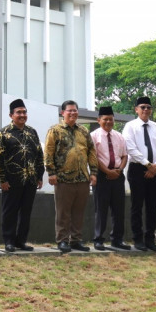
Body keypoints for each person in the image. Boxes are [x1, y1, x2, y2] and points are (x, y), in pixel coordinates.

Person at [44, 100, 97, 253]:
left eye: (75, 110)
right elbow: (48, 152)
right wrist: (51, 172)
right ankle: (62, 240)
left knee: (79, 212)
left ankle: (76, 240)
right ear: (63, 113)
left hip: (82, 178)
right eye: (70, 111)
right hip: (63, 178)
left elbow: (91, 151)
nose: (73, 113)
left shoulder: (83, 131)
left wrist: (93, 172)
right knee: (63, 212)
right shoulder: (55, 130)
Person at [0, 99, 44, 252]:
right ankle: (9, 241)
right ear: (11, 115)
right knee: (10, 212)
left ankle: (21, 241)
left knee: (26, 212)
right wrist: (2, 179)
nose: (22, 115)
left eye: (24, 112)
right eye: (18, 112)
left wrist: (39, 176)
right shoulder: (4, 133)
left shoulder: (32, 132)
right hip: (11, 180)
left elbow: (39, 155)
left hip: (30, 180)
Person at [122, 96, 156, 252]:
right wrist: (147, 164)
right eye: (143, 107)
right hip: (137, 169)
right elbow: (131, 148)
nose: (146, 110)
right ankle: (138, 239)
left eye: (148, 107)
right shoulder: (130, 126)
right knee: (137, 205)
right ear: (136, 109)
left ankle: (150, 240)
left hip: (155, 170)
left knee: (153, 206)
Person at [89, 106, 129, 251]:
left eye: (110, 119)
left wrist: (119, 170)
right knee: (101, 209)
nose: (108, 122)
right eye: (105, 119)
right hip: (102, 176)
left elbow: (124, 155)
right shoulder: (93, 136)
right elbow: (94, 157)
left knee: (119, 209)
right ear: (98, 120)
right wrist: (107, 171)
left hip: (118, 176)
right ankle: (99, 239)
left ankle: (117, 239)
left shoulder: (119, 136)